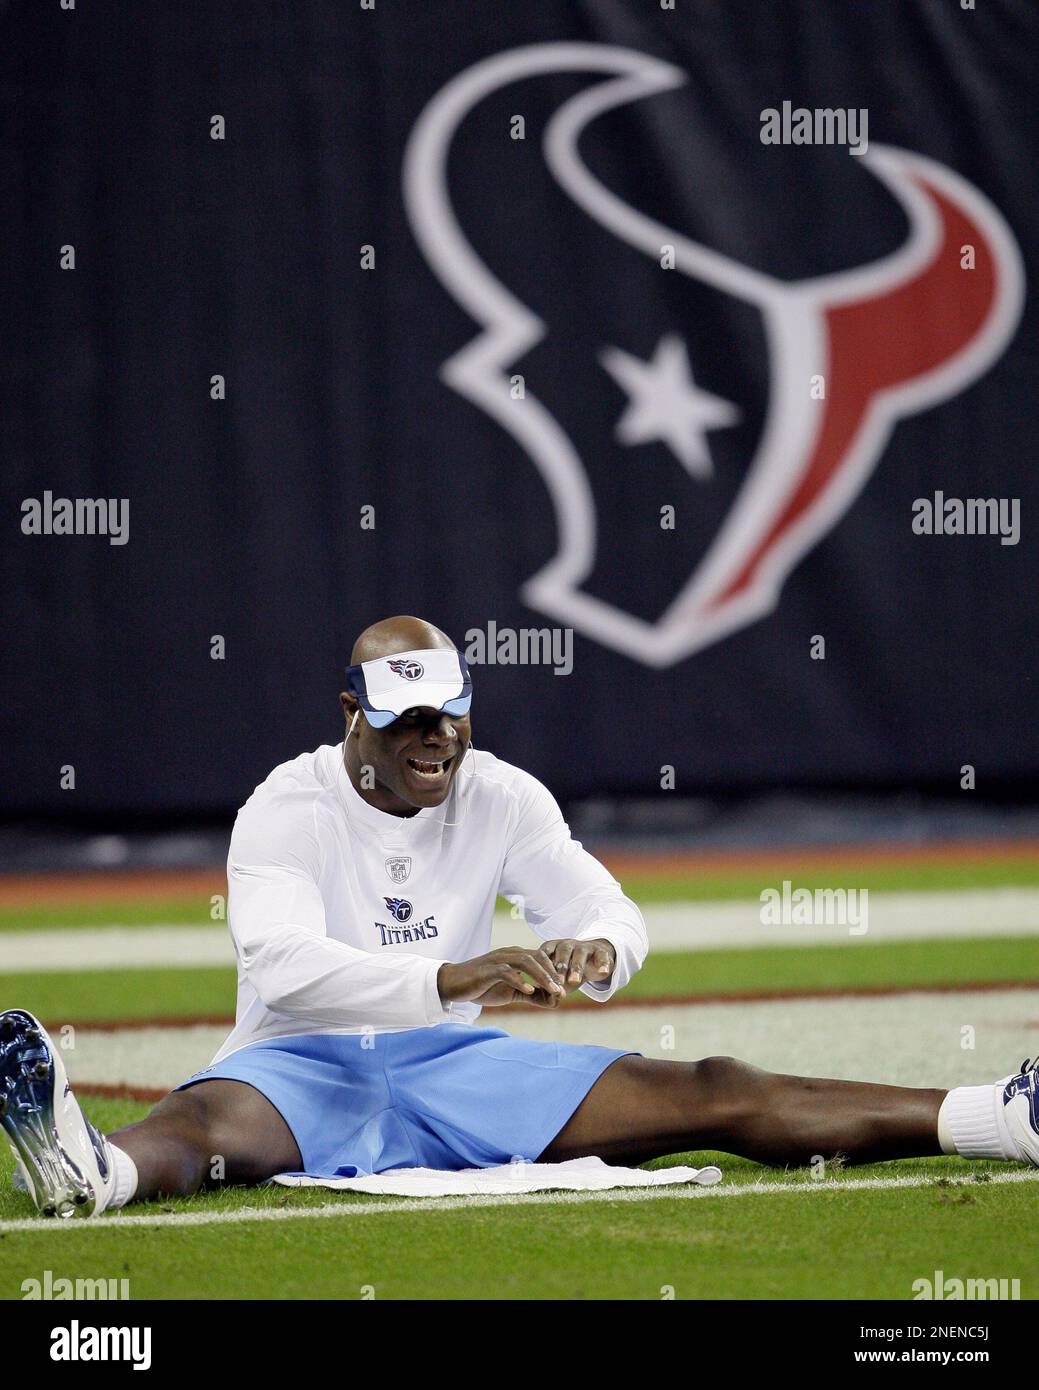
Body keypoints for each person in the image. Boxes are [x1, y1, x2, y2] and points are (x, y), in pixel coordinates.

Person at [1, 615, 1035, 1218]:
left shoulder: (500, 791)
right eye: (408, 718)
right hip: (303, 1059)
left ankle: (997, 1116)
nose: (435, 737)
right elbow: (281, 966)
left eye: (449, 711)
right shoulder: (284, 804)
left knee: (715, 1086)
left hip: (455, 1070)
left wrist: (600, 946)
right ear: (350, 714)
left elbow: (602, 902)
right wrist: (452, 978)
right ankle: (94, 1170)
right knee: (203, 1127)